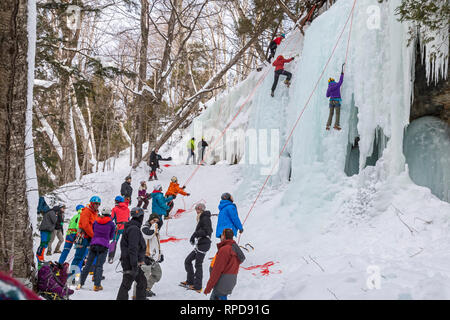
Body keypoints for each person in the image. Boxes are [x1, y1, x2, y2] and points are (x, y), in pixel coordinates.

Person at [77, 207, 115, 291]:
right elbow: (111, 236)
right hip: (104, 245)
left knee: (87, 265)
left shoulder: (96, 221)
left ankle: (80, 283)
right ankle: (97, 285)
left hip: (94, 244)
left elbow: (93, 230)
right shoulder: (111, 224)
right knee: (99, 266)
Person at [203, 228, 246, 300]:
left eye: (222, 235)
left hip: (221, 284)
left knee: (217, 296)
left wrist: (208, 287)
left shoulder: (225, 250)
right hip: (229, 282)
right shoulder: (234, 248)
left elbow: (217, 271)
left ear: (225, 236)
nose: (221, 236)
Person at [116, 207, 147, 300]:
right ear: (140, 217)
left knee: (141, 281)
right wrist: (134, 265)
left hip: (130, 260)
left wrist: (143, 258)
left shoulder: (132, 227)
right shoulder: (134, 229)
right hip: (130, 262)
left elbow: (136, 247)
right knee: (127, 284)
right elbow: (132, 248)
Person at [180, 203, 212, 293]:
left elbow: (207, 231)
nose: (196, 211)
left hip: (204, 244)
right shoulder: (201, 217)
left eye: (198, 209)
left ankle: (198, 286)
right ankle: (190, 281)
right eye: (196, 209)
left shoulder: (205, 218)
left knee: (198, 264)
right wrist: (195, 236)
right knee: (188, 260)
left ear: (201, 209)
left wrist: (195, 234)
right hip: (200, 244)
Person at [133, 213, 163, 298]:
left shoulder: (155, 230)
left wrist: (161, 254)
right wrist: (155, 227)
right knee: (142, 278)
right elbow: (148, 235)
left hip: (153, 258)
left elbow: (157, 243)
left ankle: (146, 289)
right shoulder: (144, 228)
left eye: (157, 222)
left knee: (157, 274)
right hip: (145, 257)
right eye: (154, 221)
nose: (155, 223)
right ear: (150, 220)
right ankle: (136, 295)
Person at [70, 196, 100, 275]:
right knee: (78, 257)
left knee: (84, 257)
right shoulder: (86, 211)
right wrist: (94, 235)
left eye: (98, 204)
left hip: (89, 237)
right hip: (83, 237)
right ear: (92, 203)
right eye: (95, 204)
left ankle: (76, 275)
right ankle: (72, 276)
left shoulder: (95, 213)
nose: (97, 205)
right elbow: (85, 225)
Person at [109, 195, 130, 263]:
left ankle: (111, 257)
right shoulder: (127, 209)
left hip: (118, 227)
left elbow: (111, 218)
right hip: (126, 227)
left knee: (114, 241)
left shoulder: (115, 209)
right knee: (126, 242)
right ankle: (126, 256)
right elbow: (128, 218)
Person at [326, 64, 345, 131]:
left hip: (331, 101)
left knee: (331, 114)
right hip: (337, 101)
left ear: (329, 83)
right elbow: (341, 81)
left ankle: (328, 125)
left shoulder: (329, 88)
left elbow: (327, 95)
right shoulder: (337, 85)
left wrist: (330, 92)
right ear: (333, 81)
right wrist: (342, 74)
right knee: (337, 113)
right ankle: (336, 125)